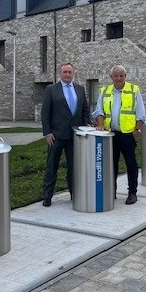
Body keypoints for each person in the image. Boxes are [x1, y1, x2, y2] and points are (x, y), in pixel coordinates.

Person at [92, 65, 146, 205]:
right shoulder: (105, 91)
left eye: (121, 75)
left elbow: (141, 114)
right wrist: (100, 124)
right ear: (111, 78)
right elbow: (98, 111)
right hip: (110, 135)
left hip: (128, 135)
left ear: (125, 76)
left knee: (131, 164)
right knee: (111, 165)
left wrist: (136, 131)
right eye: (116, 76)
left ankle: (132, 193)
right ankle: (111, 191)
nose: (119, 78)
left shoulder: (134, 90)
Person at [41, 62, 90, 206]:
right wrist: (47, 132)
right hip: (56, 136)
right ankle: (47, 196)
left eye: (69, 72)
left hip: (75, 136)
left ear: (73, 73)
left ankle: (74, 194)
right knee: (52, 166)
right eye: (65, 72)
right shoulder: (51, 89)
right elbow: (45, 113)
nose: (67, 74)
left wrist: (84, 127)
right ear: (60, 73)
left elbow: (85, 110)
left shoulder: (80, 89)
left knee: (74, 167)